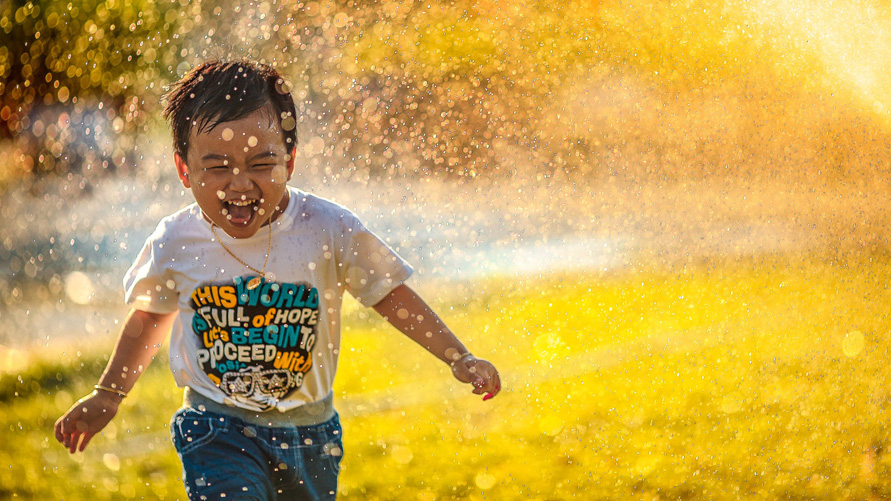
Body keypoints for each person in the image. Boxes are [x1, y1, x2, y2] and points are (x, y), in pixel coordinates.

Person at [54, 59, 501, 500]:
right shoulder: (177, 239)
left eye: (260, 163)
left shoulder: (327, 228)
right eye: (218, 166)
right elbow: (150, 317)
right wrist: (109, 393)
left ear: (289, 160)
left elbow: (389, 294)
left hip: (310, 433)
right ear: (184, 170)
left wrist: (457, 356)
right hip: (216, 426)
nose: (240, 183)